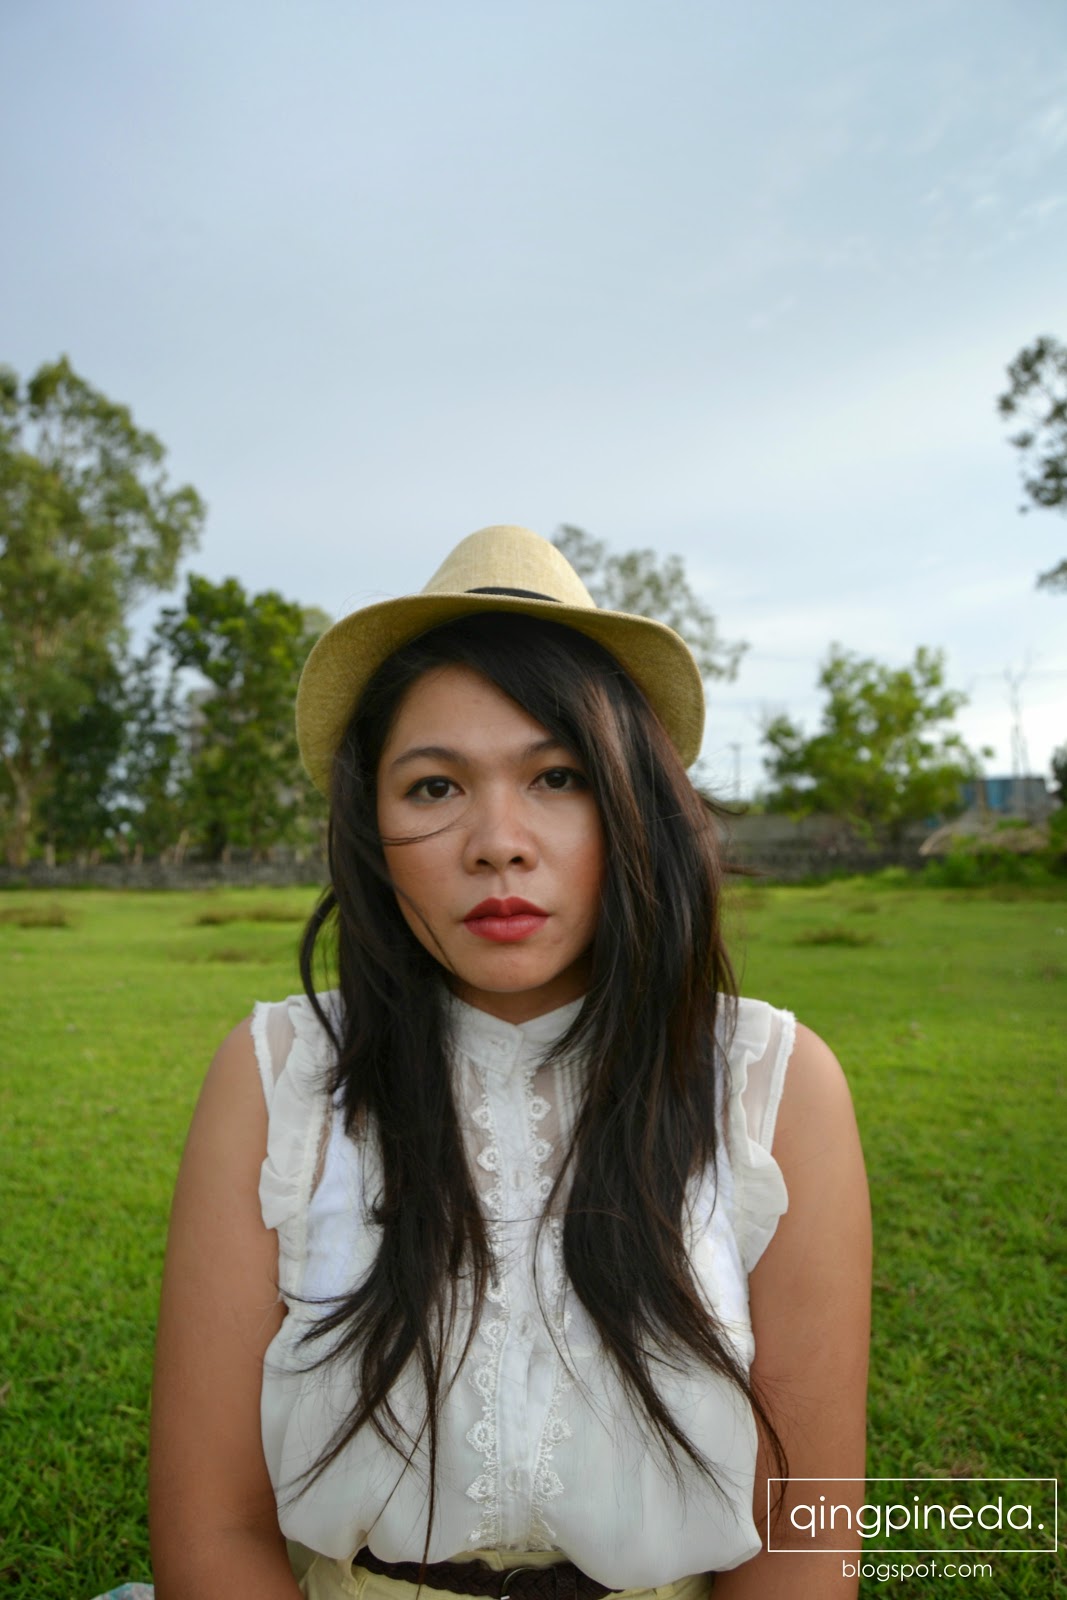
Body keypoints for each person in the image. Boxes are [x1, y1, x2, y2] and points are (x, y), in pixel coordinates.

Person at [146, 525, 871, 1600]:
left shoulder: (773, 1083)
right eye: (433, 787)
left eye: (558, 776)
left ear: (636, 808)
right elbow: (211, 1528)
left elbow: (806, 1537)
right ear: (370, 826)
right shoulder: (278, 1077)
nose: (497, 840)